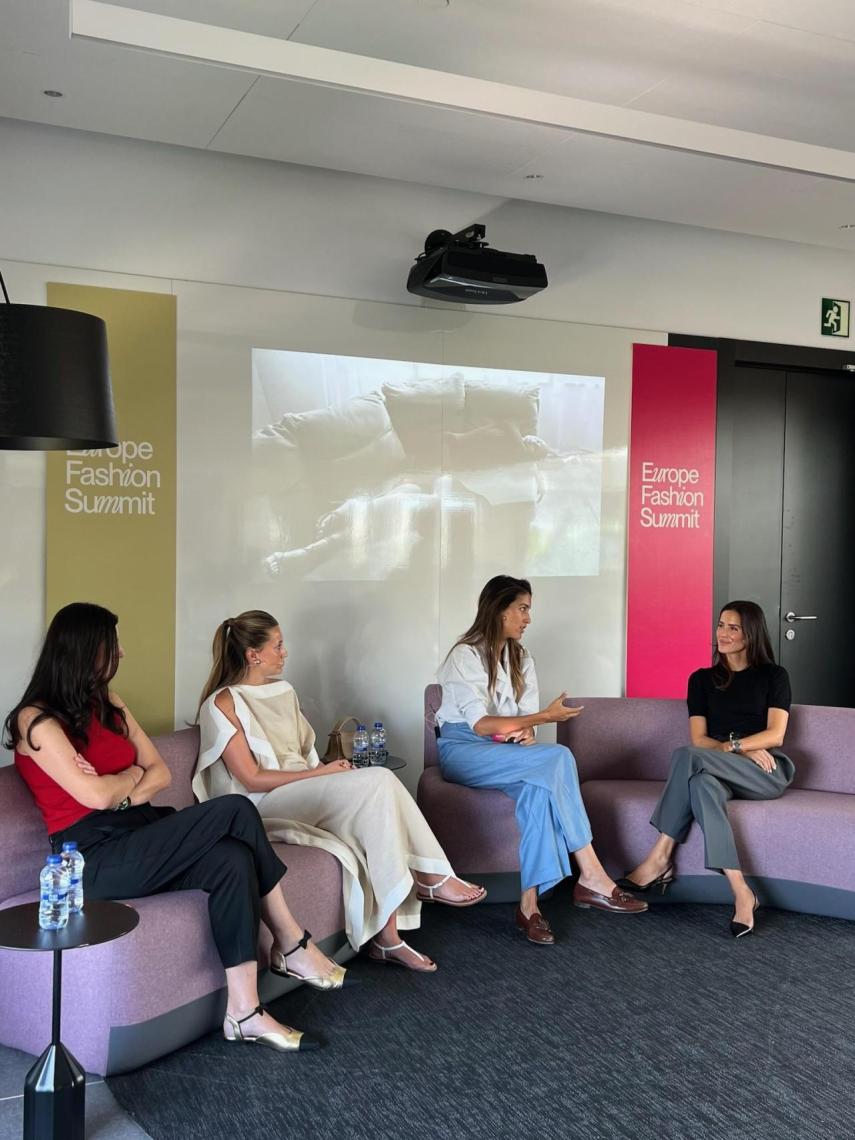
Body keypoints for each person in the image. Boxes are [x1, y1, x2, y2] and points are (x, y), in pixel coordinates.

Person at [8, 602, 343, 1053]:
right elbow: (95, 799)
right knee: (234, 810)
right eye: (113, 645)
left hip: (140, 832)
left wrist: (119, 784)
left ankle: (244, 1011)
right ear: (85, 650)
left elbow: (160, 772)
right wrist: (127, 781)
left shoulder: (107, 702)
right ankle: (290, 939)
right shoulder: (35, 720)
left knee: (232, 859)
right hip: (91, 858)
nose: (122, 653)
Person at [195, 611, 485, 973]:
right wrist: (320, 774)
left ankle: (389, 936)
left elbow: (302, 755)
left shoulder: (284, 691)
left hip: (299, 790)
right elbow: (250, 778)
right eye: (278, 645)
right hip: (257, 806)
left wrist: (321, 773)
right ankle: (430, 876)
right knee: (377, 781)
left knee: (377, 798)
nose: (285, 652)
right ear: (253, 655)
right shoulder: (222, 704)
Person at [435, 575, 647, 946]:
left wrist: (527, 730)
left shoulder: (522, 658)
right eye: (522, 608)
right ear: (499, 609)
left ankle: (528, 907)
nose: (528, 618)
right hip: (464, 750)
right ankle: (592, 875)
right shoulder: (464, 655)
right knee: (560, 756)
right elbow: (481, 724)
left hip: (505, 751)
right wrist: (543, 720)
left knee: (537, 790)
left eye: (528, 609)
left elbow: (520, 720)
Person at [617, 600, 794, 938]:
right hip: (722, 766)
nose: (722, 634)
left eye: (733, 627)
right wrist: (738, 751)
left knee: (686, 757)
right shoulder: (701, 680)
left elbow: (777, 735)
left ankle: (659, 856)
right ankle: (741, 890)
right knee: (699, 784)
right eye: (720, 625)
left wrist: (739, 748)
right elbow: (700, 740)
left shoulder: (774, 676)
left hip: (766, 771)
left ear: (751, 633)